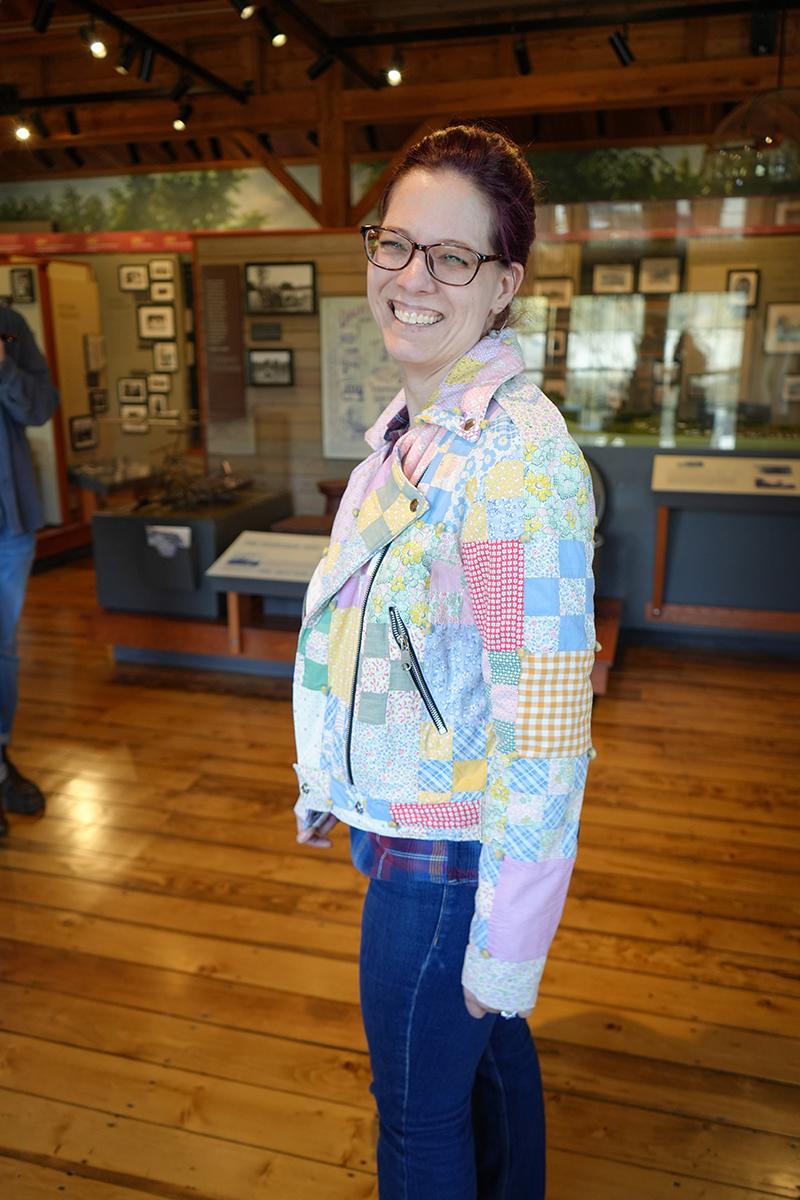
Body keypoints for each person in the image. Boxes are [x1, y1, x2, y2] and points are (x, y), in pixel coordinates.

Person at [293, 124, 596, 1199]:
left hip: (450, 862)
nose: (412, 278)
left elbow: (546, 730)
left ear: (504, 284)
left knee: (418, 1125)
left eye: (453, 257)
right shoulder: (421, 426)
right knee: (488, 1067)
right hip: (413, 827)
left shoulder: (514, 466)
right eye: (395, 243)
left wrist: (505, 944)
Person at [0, 303, 59, 836]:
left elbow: (41, 408)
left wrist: (2, 365)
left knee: (3, 647)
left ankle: (0, 760)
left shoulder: (8, 324)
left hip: (9, 520)